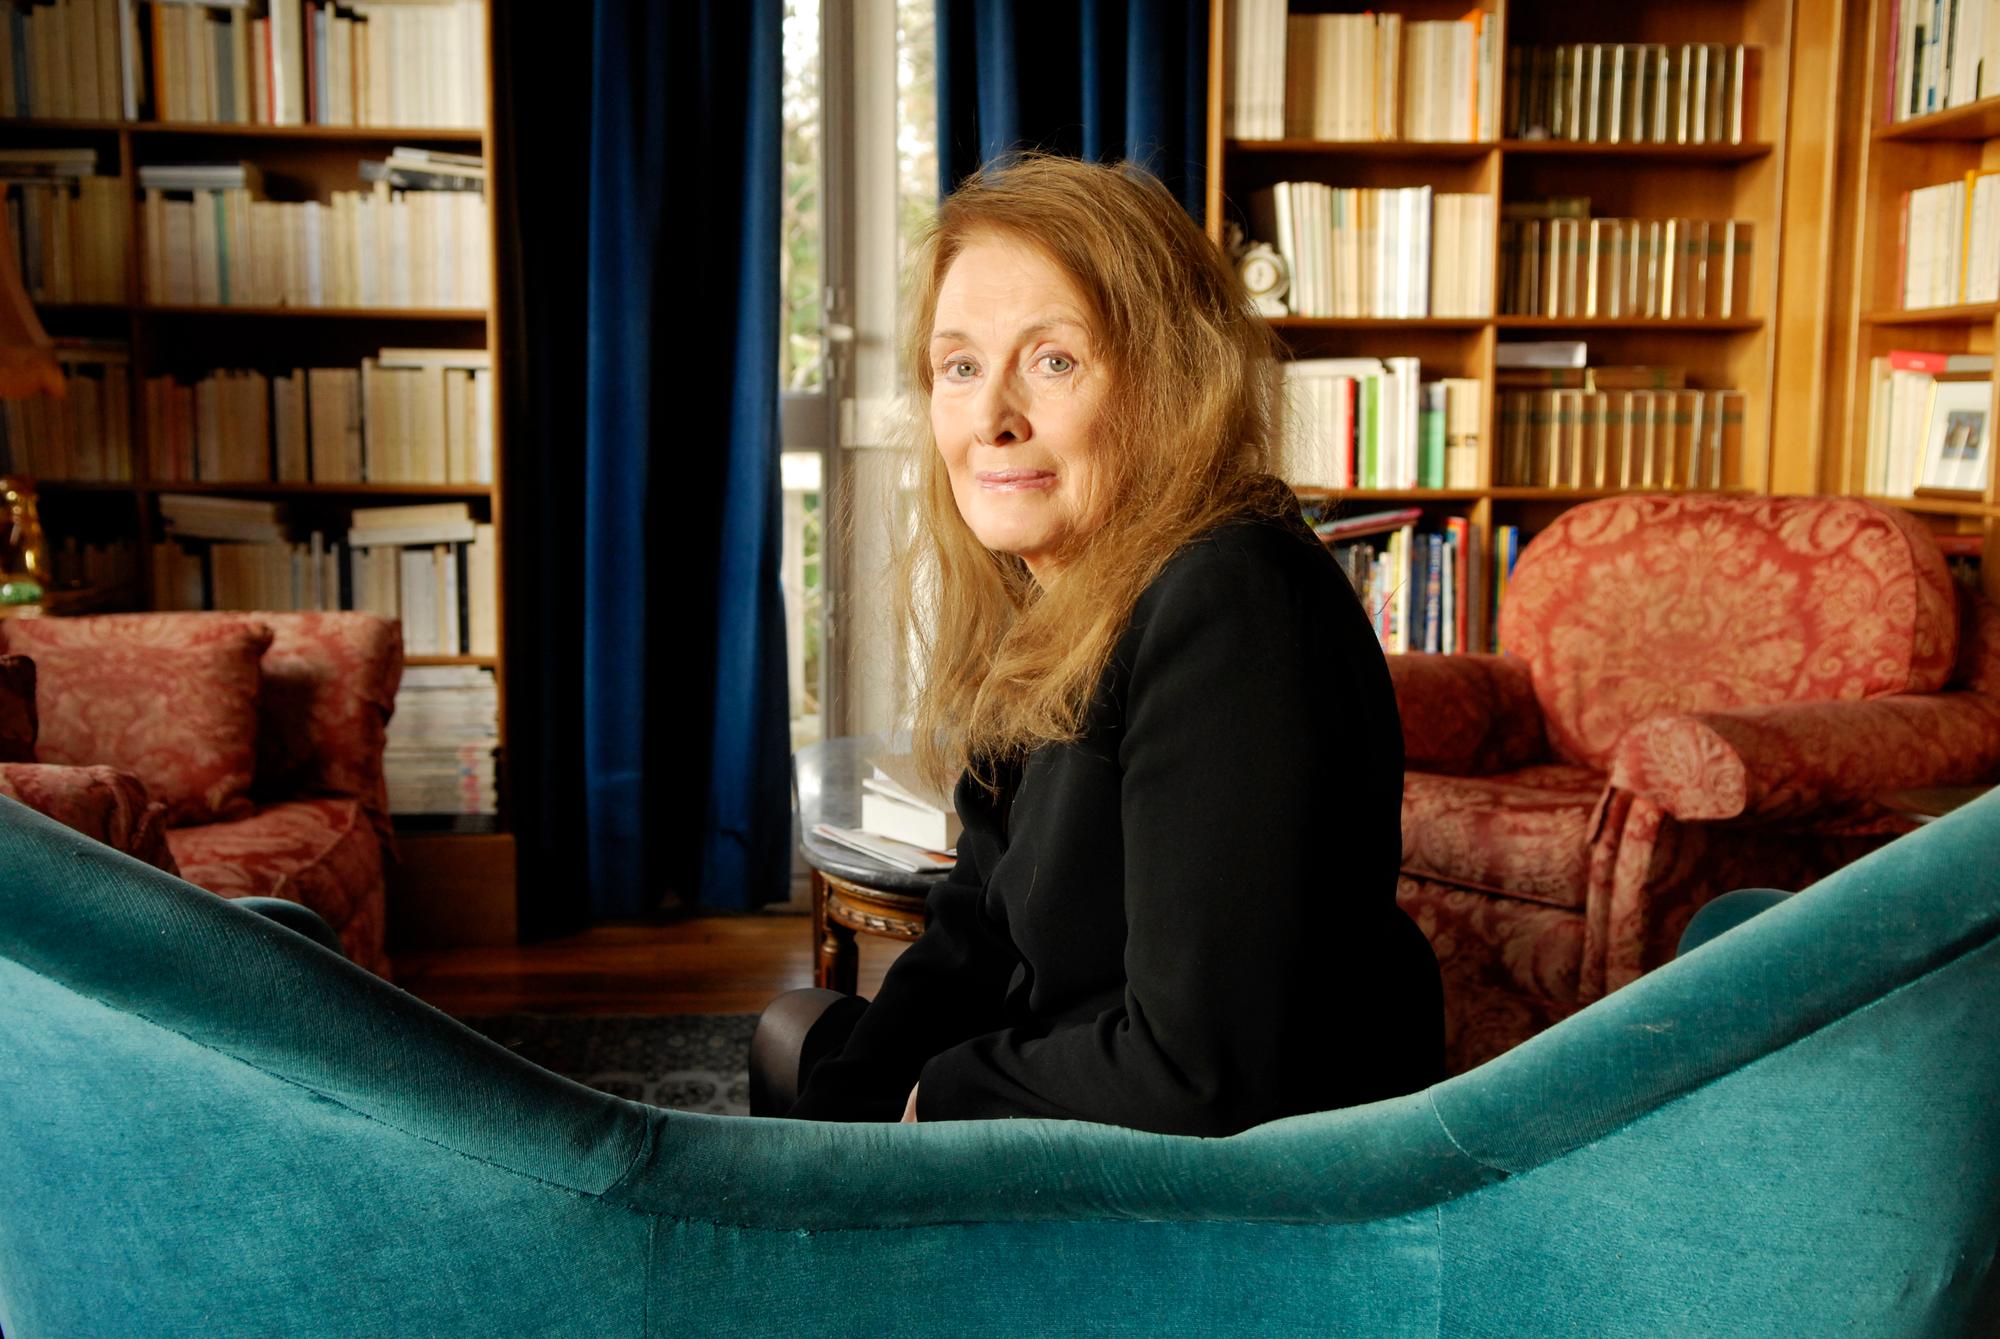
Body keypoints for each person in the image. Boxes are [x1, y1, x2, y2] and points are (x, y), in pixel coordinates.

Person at [753, 152, 1442, 1137]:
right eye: (958, 366)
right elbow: (971, 935)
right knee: (801, 1046)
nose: (989, 418)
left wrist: (926, 1102)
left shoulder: (1231, 600)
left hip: (1224, 1203)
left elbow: (1199, 1076)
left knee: (802, 1053)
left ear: (1167, 381)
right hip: (1078, 1097)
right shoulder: (1062, 597)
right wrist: (843, 1135)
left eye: (1052, 360)